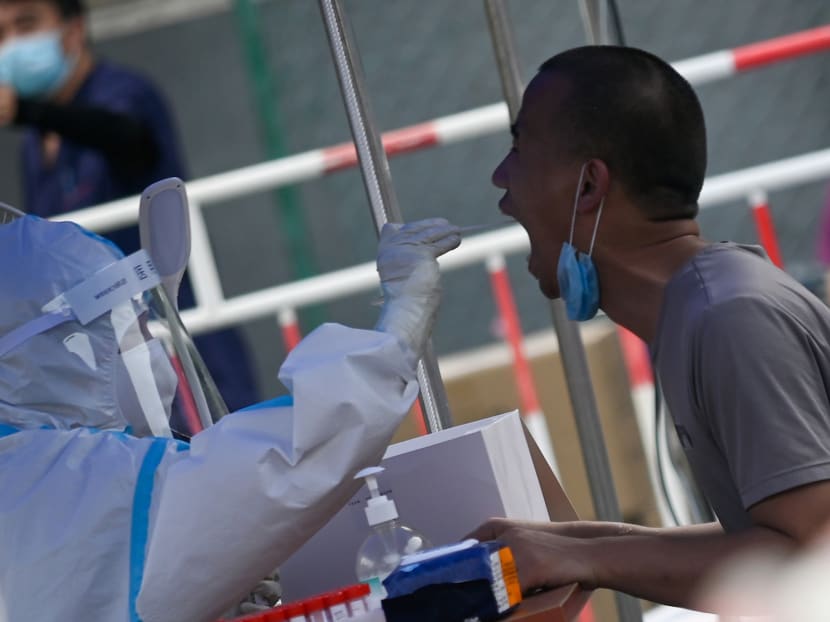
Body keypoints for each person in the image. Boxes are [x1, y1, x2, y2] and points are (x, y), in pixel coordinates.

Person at [469, 45, 830, 610]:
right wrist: (586, 542)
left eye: (518, 149)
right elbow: (770, 536)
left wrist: (590, 558)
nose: (500, 179)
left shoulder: (729, 318)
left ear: (589, 187)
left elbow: (810, 559)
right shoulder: (701, 308)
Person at [0, 213, 461, 622]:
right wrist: (403, 321)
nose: (152, 350)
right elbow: (287, 464)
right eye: (132, 331)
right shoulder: (58, 478)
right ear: (55, 351)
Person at [0, 0, 259, 413]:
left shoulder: (124, 93)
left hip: (173, 331)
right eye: (1, 34)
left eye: (27, 24)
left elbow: (128, 140)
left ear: (73, 30)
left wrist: (26, 112)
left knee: (219, 457)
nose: (12, 44)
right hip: (101, 358)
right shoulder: (34, 146)